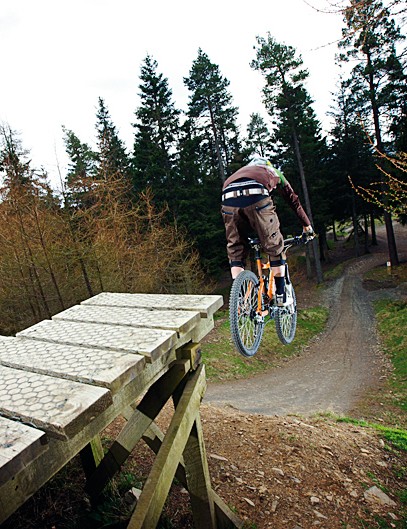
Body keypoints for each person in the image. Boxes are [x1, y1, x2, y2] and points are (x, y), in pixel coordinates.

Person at [221, 156, 313, 306]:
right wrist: (306, 225)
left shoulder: (239, 173)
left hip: (228, 199)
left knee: (236, 248)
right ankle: (281, 295)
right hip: (256, 196)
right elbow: (293, 199)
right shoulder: (273, 171)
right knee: (274, 245)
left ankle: (239, 299)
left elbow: (240, 207)